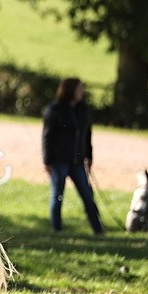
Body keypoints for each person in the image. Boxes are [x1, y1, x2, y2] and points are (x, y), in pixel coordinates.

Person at [42, 77, 104, 234]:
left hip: (77, 162)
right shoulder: (55, 109)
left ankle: (98, 229)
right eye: (79, 89)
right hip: (59, 161)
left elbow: (87, 135)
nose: (81, 92)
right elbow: (47, 136)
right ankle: (57, 229)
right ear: (70, 90)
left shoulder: (83, 110)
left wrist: (89, 157)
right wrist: (47, 161)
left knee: (87, 196)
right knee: (58, 195)